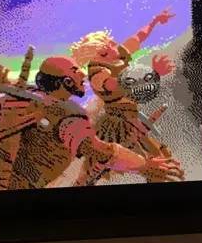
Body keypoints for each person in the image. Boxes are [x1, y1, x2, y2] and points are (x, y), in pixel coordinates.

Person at [0, 55, 182, 190]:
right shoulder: (67, 114)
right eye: (75, 71)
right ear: (65, 82)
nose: (82, 74)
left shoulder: (20, 98)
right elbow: (100, 151)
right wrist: (145, 166)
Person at [70, 9, 180, 183]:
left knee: (160, 160)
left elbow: (138, 37)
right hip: (118, 126)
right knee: (148, 164)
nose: (113, 48)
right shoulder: (98, 73)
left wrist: (155, 21)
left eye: (111, 44)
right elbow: (120, 85)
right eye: (105, 51)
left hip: (132, 120)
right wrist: (153, 73)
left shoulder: (116, 54)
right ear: (97, 58)